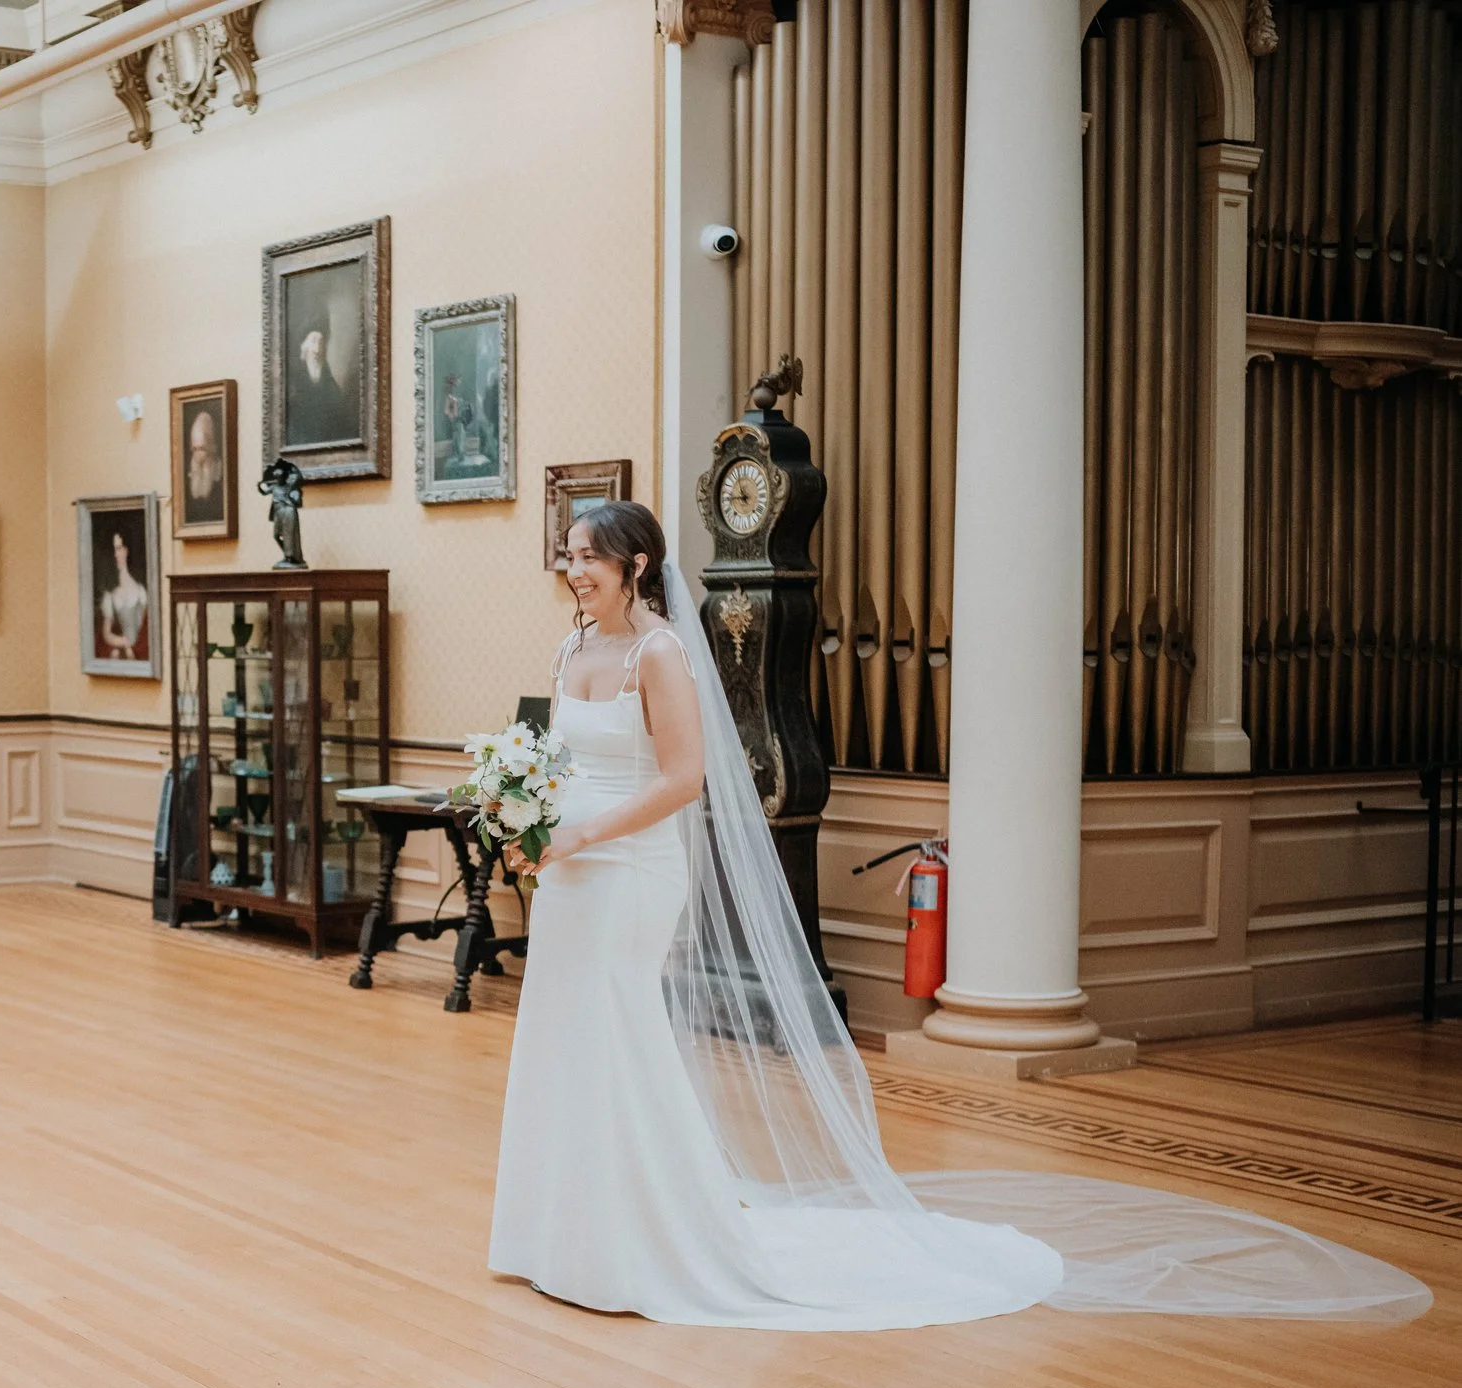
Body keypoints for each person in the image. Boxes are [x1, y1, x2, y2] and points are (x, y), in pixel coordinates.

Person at [488, 500, 1429, 1329]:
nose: (573, 569)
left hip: (629, 869)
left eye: (587, 557)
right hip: (568, 867)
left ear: (636, 565)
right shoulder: (573, 646)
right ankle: (556, 1232)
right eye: (569, 556)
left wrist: (584, 835)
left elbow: (685, 780)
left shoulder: (658, 653)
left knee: (619, 1030)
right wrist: (526, 809)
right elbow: (560, 758)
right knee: (564, 1028)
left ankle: (646, 1239)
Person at [284, 322, 356, 446]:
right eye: (313, 341)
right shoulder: (292, 384)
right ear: (304, 347)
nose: (317, 350)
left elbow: (343, 423)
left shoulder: (331, 385)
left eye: (321, 343)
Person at [94, 529, 149, 661]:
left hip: (140, 655)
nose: (115, 554)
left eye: (119, 549)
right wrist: (124, 643)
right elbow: (106, 634)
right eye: (114, 550)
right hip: (120, 653)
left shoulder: (141, 591)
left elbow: (146, 631)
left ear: (126, 551)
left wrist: (132, 649)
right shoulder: (110, 595)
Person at [184, 409, 223, 522]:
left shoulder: (223, 481)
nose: (198, 456)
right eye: (194, 449)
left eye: (202, 448)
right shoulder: (186, 485)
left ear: (213, 448)